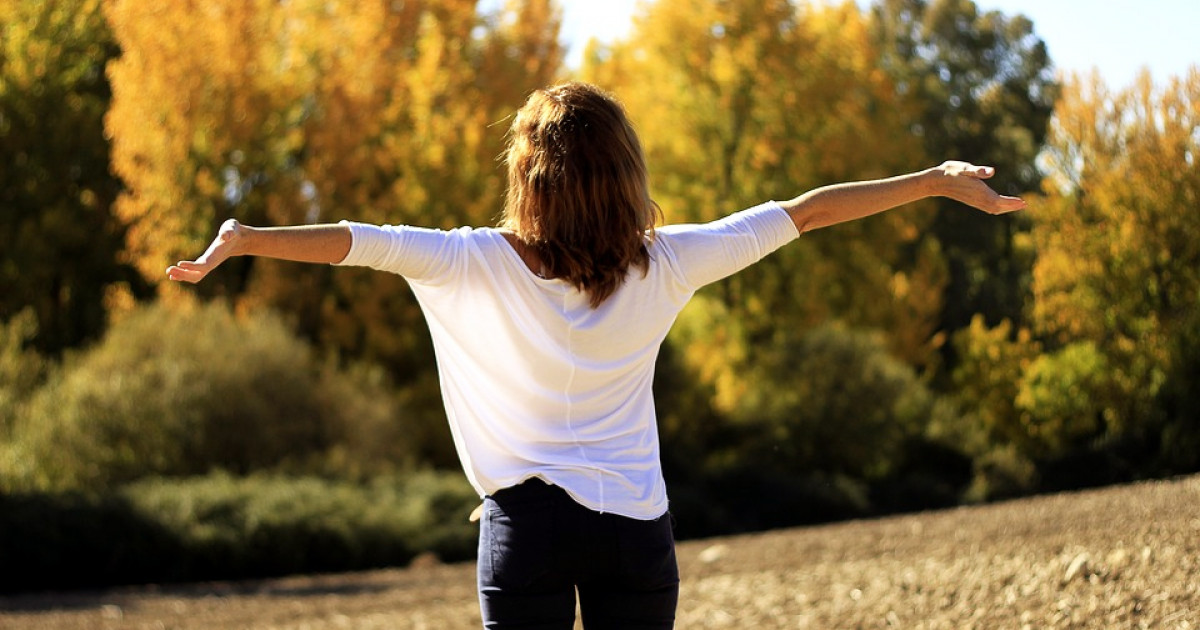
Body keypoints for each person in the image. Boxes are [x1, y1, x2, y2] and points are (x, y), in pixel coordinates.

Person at [167, 81, 1024, 629]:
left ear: (526, 179)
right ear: (625, 174)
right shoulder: (670, 262)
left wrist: (243, 240)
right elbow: (804, 212)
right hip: (634, 531)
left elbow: (354, 242)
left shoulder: (469, 261)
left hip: (525, 532)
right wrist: (933, 179)